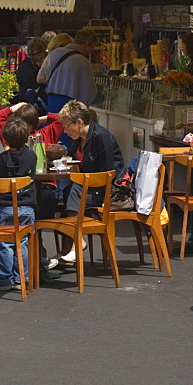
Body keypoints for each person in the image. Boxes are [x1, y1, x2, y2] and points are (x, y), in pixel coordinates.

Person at [56, 100, 124, 263]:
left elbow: (108, 173)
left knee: (74, 191)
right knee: (64, 194)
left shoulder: (101, 137)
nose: (65, 131)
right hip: (89, 186)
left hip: (108, 190)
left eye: (66, 126)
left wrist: (81, 178)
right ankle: (70, 248)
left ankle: (77, 244)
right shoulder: (77, 139)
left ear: (79, 122)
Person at [0, 117, 37, 292]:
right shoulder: (31, 156)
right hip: (27, 206)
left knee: (5, 243)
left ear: (5, 139)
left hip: (6, 206)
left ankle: (3, 278)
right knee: (21, 242)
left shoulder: (1, 159)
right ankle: (21, 276)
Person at [38, 29, 98, 114]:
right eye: (91, 48)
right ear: (86, 44)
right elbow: (90, 91)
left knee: (51, 126)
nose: (90, 51)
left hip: (52, 102)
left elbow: (41, 77)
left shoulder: (53, 54)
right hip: (71, 107)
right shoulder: (84, 62)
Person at [16, 38, 46, 103]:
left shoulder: (33, 65)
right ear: (36, 53)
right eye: (41, 54)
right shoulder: (25, 66)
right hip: (27, 102)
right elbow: (33, 81)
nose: (42, 57)